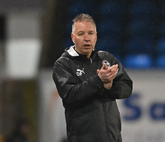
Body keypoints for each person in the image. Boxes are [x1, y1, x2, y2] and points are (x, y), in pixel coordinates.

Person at [52, 13, 133, 142]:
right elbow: (70, 96)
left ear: (96, 36)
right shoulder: (63, 64)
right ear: (73, 37)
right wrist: (98, 80)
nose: (86, 38)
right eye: (81, 34)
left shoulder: (106, 58)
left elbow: (127, 87)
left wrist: (109, 86)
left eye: (90, 33)